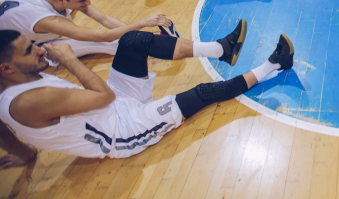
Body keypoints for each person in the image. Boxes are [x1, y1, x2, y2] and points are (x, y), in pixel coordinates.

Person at [0, 21, 295, 165]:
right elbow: (105, 98)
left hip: (109, 104)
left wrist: (26, 155)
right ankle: (275, 63)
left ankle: (221, 50)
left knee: (132, 41)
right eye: (29, 51)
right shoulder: (29, 101)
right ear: (6, 69)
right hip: (121, 130)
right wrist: (69, 60)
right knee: (204, 92)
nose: (39, 50)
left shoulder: (12, 87)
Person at [0, 0, 176, 61]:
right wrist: (143, 23)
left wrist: (137, 33)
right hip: (16, 53)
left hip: (25, 31)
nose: (88, 3)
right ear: (61, 0)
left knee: (117, 37)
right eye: (83, 0)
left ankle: (144, 41)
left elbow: (104, 19)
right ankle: (150, 47)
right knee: (100, 43)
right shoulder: (47, 20)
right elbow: (104, 36)